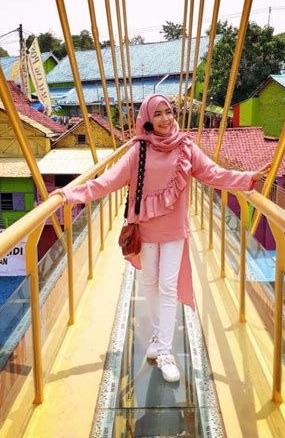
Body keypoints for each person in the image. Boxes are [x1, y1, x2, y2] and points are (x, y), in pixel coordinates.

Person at [55, 94, 271, 383]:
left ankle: (165, 351)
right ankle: (158, 340)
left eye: (168, 111)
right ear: (146, 118)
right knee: (150, 284)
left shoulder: (186, 148)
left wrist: (246, 179)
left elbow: (212, 173)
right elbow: (107, 182)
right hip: (144, 229)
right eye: (157, 114)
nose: (165, 118)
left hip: (173, 230)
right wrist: (70, 194)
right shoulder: (137, 151)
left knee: (167, 286)